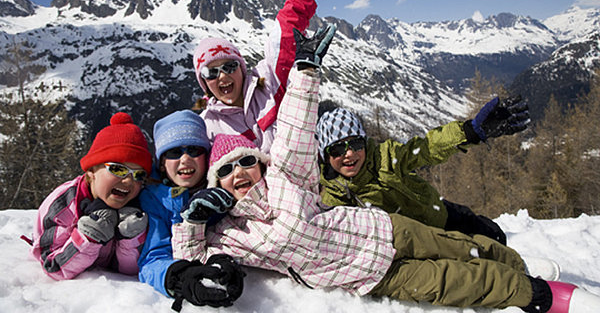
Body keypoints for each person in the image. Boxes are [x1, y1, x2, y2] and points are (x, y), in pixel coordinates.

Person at [171, 25, 600, 313]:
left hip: (388, 228)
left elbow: (299, 127)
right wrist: (192, 218)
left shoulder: (287, 178)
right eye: (228, 170)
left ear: (263, 164)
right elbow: (191, 256)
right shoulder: (227, 233)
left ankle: (520, 264)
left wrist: (304, 72)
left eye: (249, 160)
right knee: (456, 280)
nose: (241, 171)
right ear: (217, 184)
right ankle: (538, 295)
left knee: (470, 245)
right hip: (375, 274)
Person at [315, 99, 529, 245]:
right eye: (337, 149)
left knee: (494, 235)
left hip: (441, 214)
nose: (349, 154)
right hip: (423, 244)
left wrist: (470, 132)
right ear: (326, 155)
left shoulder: (386, 156)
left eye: (355, 144)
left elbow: (426, 149)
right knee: (477, 254)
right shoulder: (334, 200)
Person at [193, 0, 327, 152]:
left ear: (241, 67)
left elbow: (283, 41)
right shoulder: (206, 126)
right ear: (203, 83)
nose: (222, 76)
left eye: (229, 66)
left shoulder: (268, 84)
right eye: (211, 72)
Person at [138, 110, 244, 312]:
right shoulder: (154, 200)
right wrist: (179, 278)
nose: (185, 159)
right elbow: (152, 259)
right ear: (162, 163)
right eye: (174, 152)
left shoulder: (225, 186)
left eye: (194, 150)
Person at [31, 112, 151, 280]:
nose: (128, 181)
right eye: (117, 169)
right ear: (92, 171)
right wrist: (88, 238)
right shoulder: (64, 204)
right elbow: (52, 266)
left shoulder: (140, 206)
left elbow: (132, 271)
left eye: (138, 175)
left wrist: (129, 239)